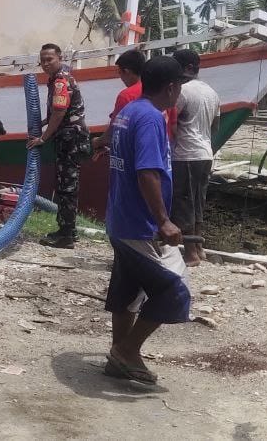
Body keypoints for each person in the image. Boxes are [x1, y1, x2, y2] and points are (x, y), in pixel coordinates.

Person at [103, 55, 194, 385]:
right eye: (180, 87)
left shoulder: (129, 111)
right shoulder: (152, 118)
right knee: (175, 290)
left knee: (128, 289)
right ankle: (127, 351)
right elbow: (147, 173)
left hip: (120, 217)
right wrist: (164, 221)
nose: (180, 94)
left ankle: (119, 354)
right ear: (170, 88)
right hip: (139, 224)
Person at [28, 43, 89, 249]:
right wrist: (46, 122)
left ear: (60, 58)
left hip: (69, 139)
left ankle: (65, 235)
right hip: (71, 138)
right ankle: (69, 230)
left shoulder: (61, 81)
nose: (45, 64)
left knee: (66, 187)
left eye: (49, 59)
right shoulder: (60, 78)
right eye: (42, 60)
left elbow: (60, 113)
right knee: (69, 185)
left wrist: (43, 138)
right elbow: (59, 111)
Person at [170, 48, 218, 266]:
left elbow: (171, 121)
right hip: (205, 154)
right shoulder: (212, 92)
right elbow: (215, 126)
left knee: (184, 203)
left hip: (185, 154)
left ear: (187, 68)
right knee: (198, 201)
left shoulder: (183, 92)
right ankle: (199, 248)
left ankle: (190, 253)